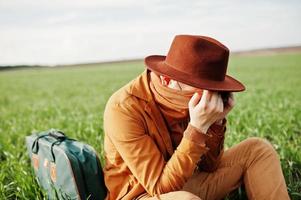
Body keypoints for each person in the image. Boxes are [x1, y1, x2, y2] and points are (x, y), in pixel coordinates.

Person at [103, 35, 290, 200]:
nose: (210, 99)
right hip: (141, 194)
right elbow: (159, 187)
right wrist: (197, 129)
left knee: (258, 150)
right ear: (167, 80)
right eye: (202, 88)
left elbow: (210, 167)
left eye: (216, 91)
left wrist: (215, 124)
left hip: (186, 181)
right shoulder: (124, 108)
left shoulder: (191, 100)